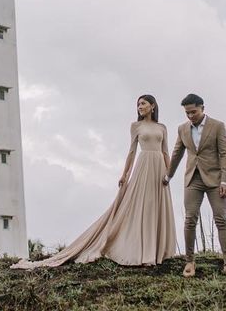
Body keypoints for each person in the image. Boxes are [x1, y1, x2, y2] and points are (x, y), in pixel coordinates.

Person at [12, 94, 178, 268]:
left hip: (159, 169)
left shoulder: (162, 128)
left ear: (152, 106)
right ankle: (143, 252)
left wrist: (169, 173)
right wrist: (124, 174)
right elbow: (131, 152)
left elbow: (166, 152)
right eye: (138, 104)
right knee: (142, 207)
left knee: (156, 206)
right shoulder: (136, 126)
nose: (139, 107)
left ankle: (158, 250)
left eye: (143, 104)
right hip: (143, 167)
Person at [163, 92, 226, 279]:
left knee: (221, 219)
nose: (191, 116)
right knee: (190, 219)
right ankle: (190, 262)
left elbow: (225, 153)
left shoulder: (218, 126)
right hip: (193, 179)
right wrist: (168, 175)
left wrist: (225, 180)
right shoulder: (182, 129)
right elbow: (177, 153)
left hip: (215, 180)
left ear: (202, 108)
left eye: (193, 112)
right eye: (187, 113)